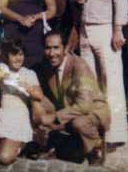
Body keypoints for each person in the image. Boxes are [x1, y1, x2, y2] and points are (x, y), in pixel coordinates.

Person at [72, 0, 128, 148]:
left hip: (105, 31)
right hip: (85, 32)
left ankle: (115, 134)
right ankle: (96, 132)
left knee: (111, 82)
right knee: (91, 84)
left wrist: (118, 30)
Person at [35, 31, 110, 165]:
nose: (51, 53)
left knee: (79, 123)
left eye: (56, 48)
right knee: (37, 101)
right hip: (70, 107)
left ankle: (96, 148)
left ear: (65, 48)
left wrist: (54, 117)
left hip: (93, 111)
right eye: (48, 48)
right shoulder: (48, 64)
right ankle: (48, 145)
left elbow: (84, 106)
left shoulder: (79, 66)